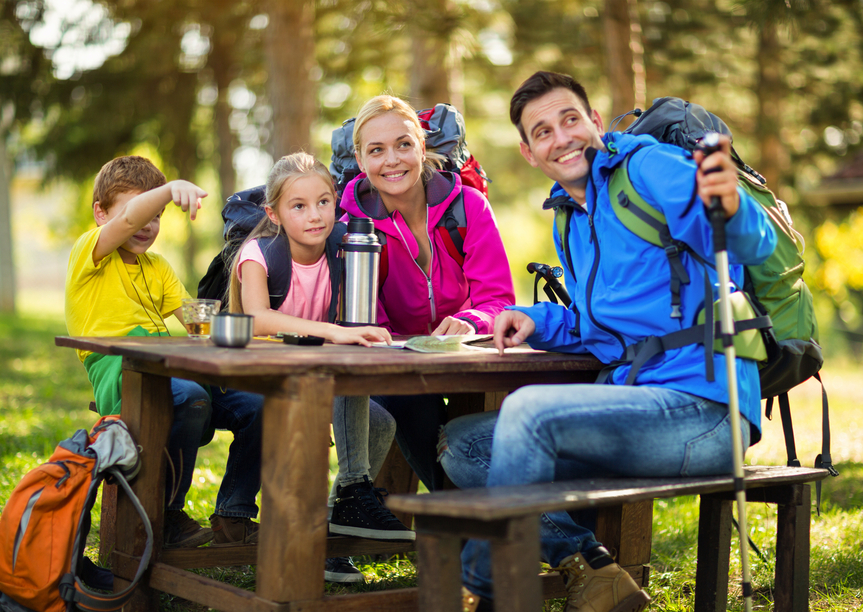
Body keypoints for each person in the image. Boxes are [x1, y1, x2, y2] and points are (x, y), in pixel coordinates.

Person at [438, 71, 778, 612]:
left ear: (594, 122)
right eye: (543, 131)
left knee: (527, 413)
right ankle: (594, 567)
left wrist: (732, 204)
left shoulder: (648, 168)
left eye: (570, 119)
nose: (562, 137)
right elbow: (600, 329)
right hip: (635, 406)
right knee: (464, 444)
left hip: (707, 410)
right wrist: (536, 321)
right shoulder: (571, 218)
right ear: (530, 153)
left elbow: (750, 242)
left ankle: (483, 592)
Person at [227, 151, 414, 584]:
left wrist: (359, 332)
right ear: (274, 214)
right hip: (261, 377)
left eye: (324, 202)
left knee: (381, 423)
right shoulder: (260, 253)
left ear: (336, 202)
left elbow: (358, 309)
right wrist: (333, 330)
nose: (315, 215)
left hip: (315, 372)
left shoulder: (343, 245)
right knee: (345, 389)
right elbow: (255, 318)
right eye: (299, 206)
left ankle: (333, 528)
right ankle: (347, 498)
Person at [64, 156, 265, 549]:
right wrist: (169, 190)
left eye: (156, 215)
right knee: (190, 397)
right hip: (123, 371)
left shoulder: (158, 267)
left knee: (261, 405)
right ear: (100, 213)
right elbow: (125, 222)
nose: (146, 225)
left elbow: (197, 323)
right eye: (139, 213)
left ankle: (235, 514)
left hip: (173, 367)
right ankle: (167, 514)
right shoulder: (90, 253)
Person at [338, 95, 515, 491]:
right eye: (376, 150)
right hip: (394, 368)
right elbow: (361, 319)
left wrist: (470, 322)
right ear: (361, 160)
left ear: (422, 145)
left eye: (404, 144)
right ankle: (467, 518)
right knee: (409, 398)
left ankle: (476, 517)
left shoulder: (469, 207)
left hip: (467, 357)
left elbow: (499, 299)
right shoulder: (350, 224)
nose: (393, 160)